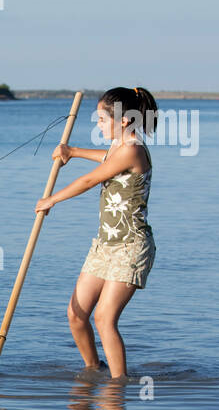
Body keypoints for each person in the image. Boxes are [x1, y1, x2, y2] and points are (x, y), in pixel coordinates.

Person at [35, 87, 156, 381]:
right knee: (76, 314)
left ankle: (118, 385)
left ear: (124, 120)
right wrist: (73, 151)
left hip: (131, 247)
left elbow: (91, 180)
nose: (98, 125)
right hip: (106, 245)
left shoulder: (133, 149)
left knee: (104, 318)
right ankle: (93, 370)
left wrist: (52, 199)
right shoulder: (118, 147)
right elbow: (105, 158)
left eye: (102, 119)